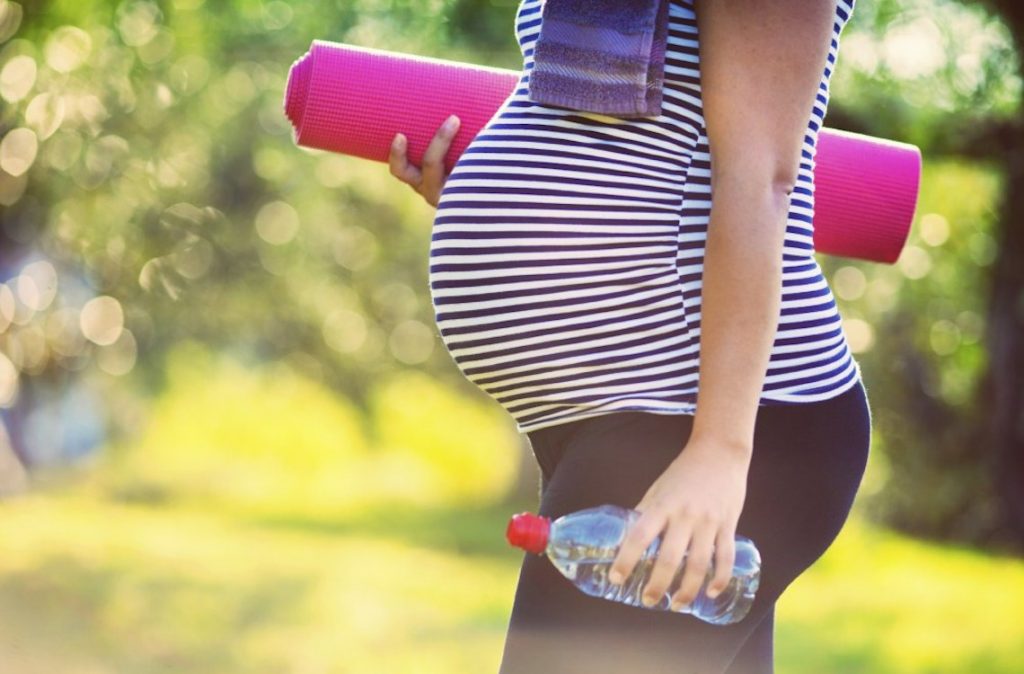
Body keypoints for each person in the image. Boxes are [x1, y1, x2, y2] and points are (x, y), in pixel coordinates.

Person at [388, 0, 870, 672]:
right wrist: (494, 193)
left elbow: (760, 180)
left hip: (697, 421)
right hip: (630, 417)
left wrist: (720, 452)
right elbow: (636, 140)